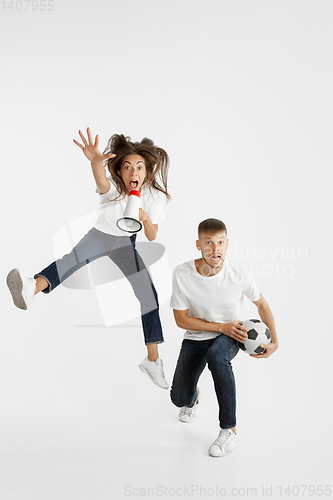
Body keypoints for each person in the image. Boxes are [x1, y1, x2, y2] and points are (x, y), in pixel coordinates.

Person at [6, 128, 171, 389]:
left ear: (147, 172)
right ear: (119, 172)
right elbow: (101, 181)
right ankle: (31, 288)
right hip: (101, 236)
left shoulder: (152, 197)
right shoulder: (113, 189)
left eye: (139, 167)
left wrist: (146, 218)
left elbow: (152, 236)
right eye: (127, 167)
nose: (134, 172)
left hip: (126, 245)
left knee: (148, 296)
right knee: (72, 260)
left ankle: (153, 361)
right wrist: (96, 163)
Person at [170, 218, 278, 457]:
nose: (215, 248)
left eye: (220, 242)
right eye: (208, 242)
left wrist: (275, 341)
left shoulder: (238, 273)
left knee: (217, 357)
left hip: (231, 335)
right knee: (178, 398)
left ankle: (229, 431)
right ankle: (192, 397)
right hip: (198, 336)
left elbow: (261, 304)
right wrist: (220, 327)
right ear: (198, 245)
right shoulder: (182, 273)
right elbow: (181, 320)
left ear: (227, 244)